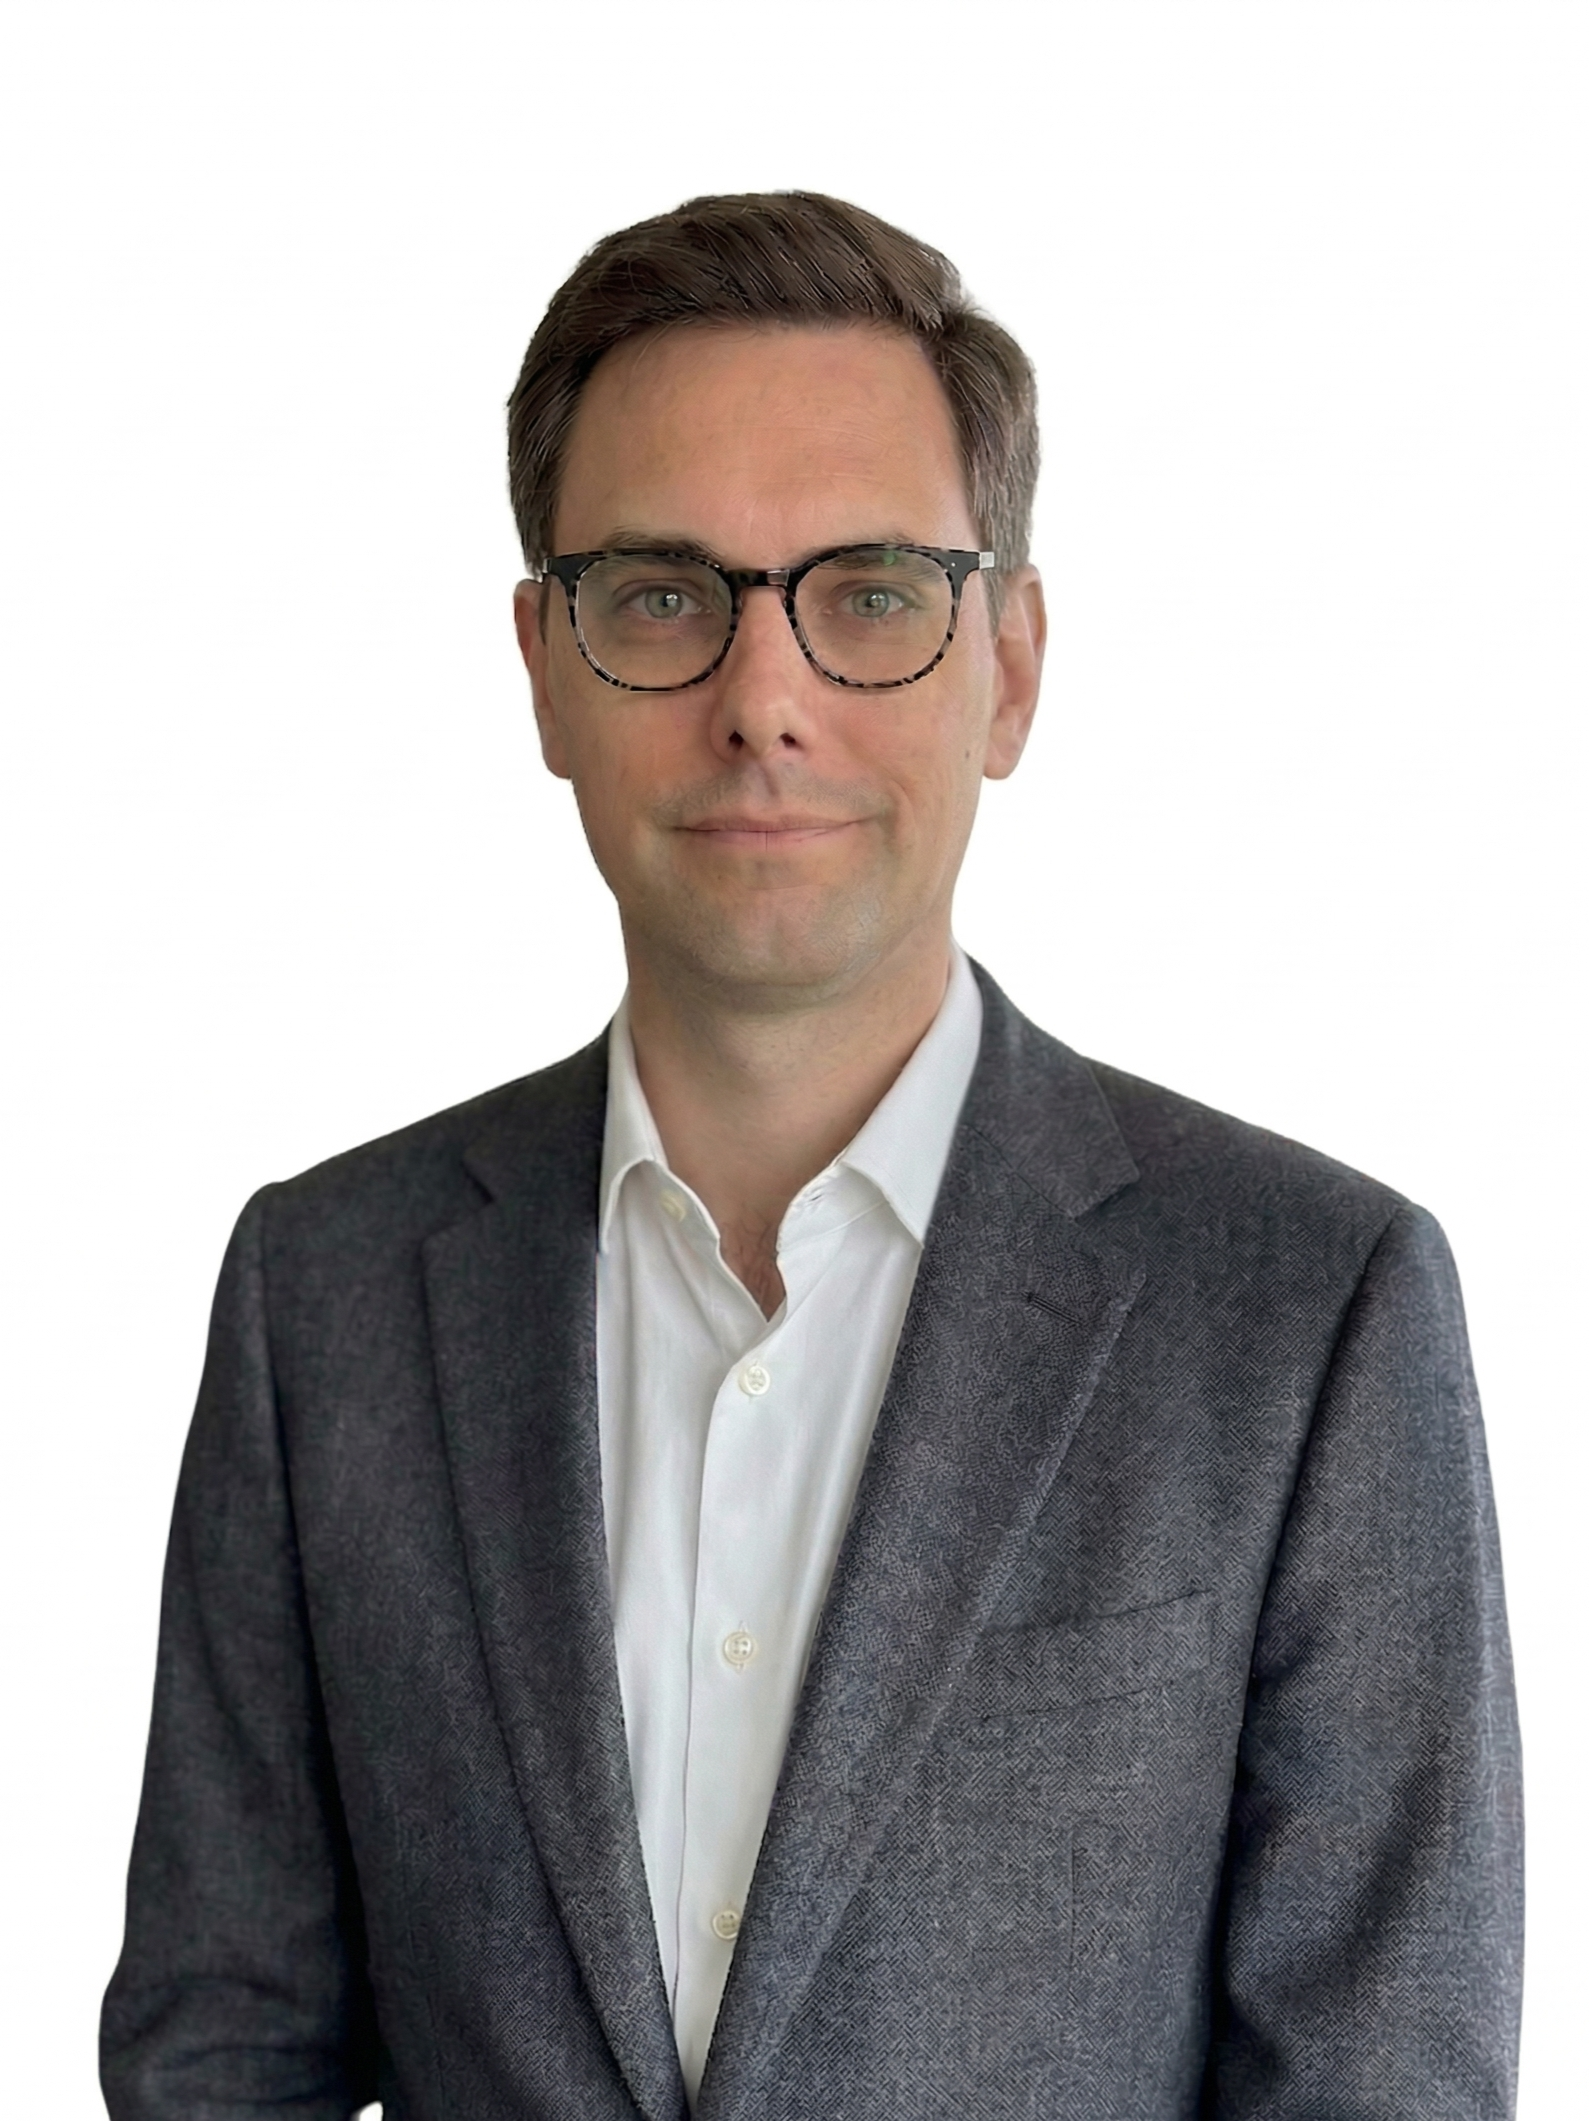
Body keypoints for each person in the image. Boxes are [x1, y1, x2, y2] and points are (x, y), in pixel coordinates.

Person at [101, 191, 1523, 2120]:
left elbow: (1385, 2085)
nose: (762, 701)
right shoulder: (324, 1297)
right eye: (664, 596)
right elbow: (221, 2052)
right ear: (543, 664)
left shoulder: (1307, 1313)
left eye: (868, 594)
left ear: (1009, 665)